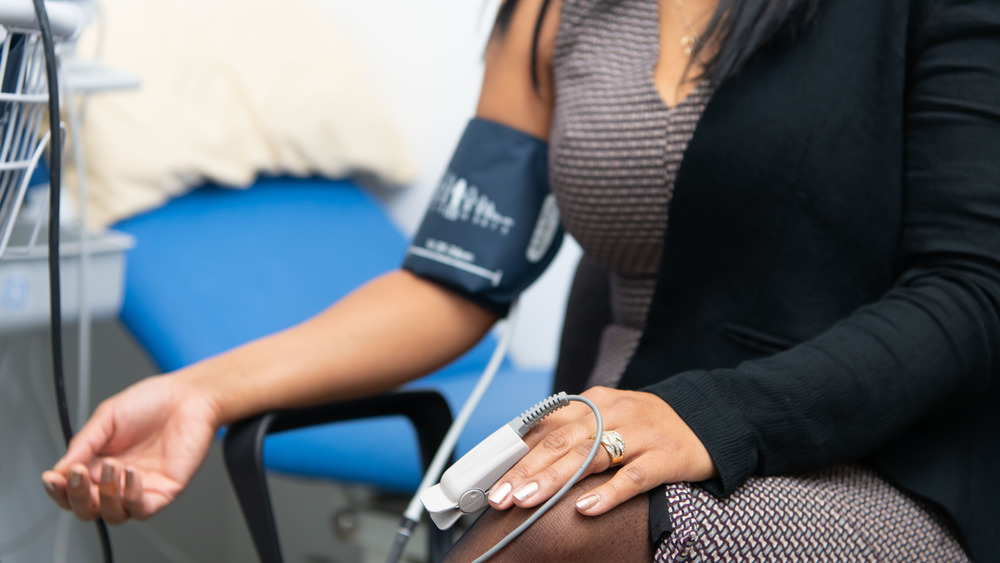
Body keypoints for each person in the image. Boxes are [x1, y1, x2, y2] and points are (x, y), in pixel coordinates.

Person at [42, 0, 999, 561]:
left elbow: (972, 290)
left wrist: (710, 415)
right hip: (603, 448)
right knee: (547, 517)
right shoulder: (556, 14)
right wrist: (202, 390)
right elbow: (452, 281)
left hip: (880, 464)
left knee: (559, 534)